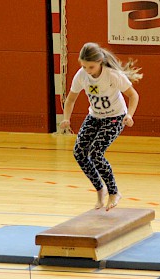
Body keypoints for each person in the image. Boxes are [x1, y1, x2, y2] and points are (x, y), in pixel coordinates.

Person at [60, 42, 142, 211]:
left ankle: (114, 192)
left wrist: (129, 115)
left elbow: (133, 95)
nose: (88, 71)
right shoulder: (81, 75)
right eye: (84, 66)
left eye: (91, 67)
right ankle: (100, 189)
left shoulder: (112, 75)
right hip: (95, 116)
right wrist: (66, 118)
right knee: (79, 153)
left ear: (100, 61)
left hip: (115, 117)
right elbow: (71, 99)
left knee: (96, 153)